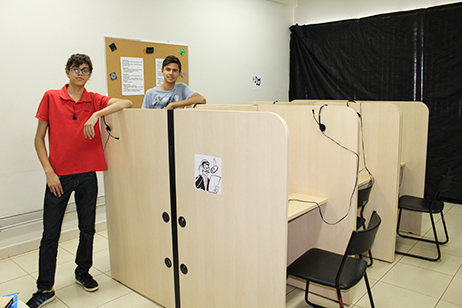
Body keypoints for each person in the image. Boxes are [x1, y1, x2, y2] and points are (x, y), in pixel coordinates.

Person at [26, 54, 133, 308]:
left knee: (88, 228)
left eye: (85, 70)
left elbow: (126, 102)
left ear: (89, 74)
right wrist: (48, 171)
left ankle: (82, 271)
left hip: (87, 175)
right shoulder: (51, 97)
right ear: (67, 72)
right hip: (58, 176)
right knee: (50, 234)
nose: (80, 73)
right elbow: (39, 138)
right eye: (76, 69)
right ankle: (45, 287)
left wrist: (97, 114)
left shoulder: (93, 99)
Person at [141, 55, 206, 109]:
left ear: (179, 73)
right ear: (162, 71)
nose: (171, 73)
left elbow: (201, 99)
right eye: (168, 69)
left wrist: (173, 104)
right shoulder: (150, 93)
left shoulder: (182, 88)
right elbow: (143, 117)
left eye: (174, 70)